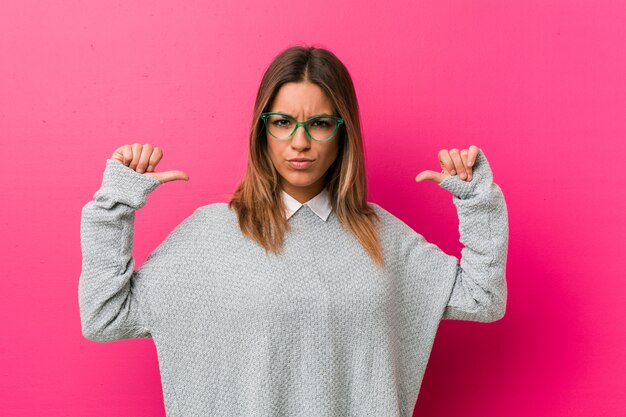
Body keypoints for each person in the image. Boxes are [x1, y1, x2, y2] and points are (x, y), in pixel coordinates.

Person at [79, 45, 509, 417]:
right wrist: (116, 203)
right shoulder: (208, 235)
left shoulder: (382, 236)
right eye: (283, 122)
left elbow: (483, 298)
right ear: (262, 130)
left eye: (320, 124)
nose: (299, 142)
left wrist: (476, 202)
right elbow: (104, 316)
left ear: (343, 135)